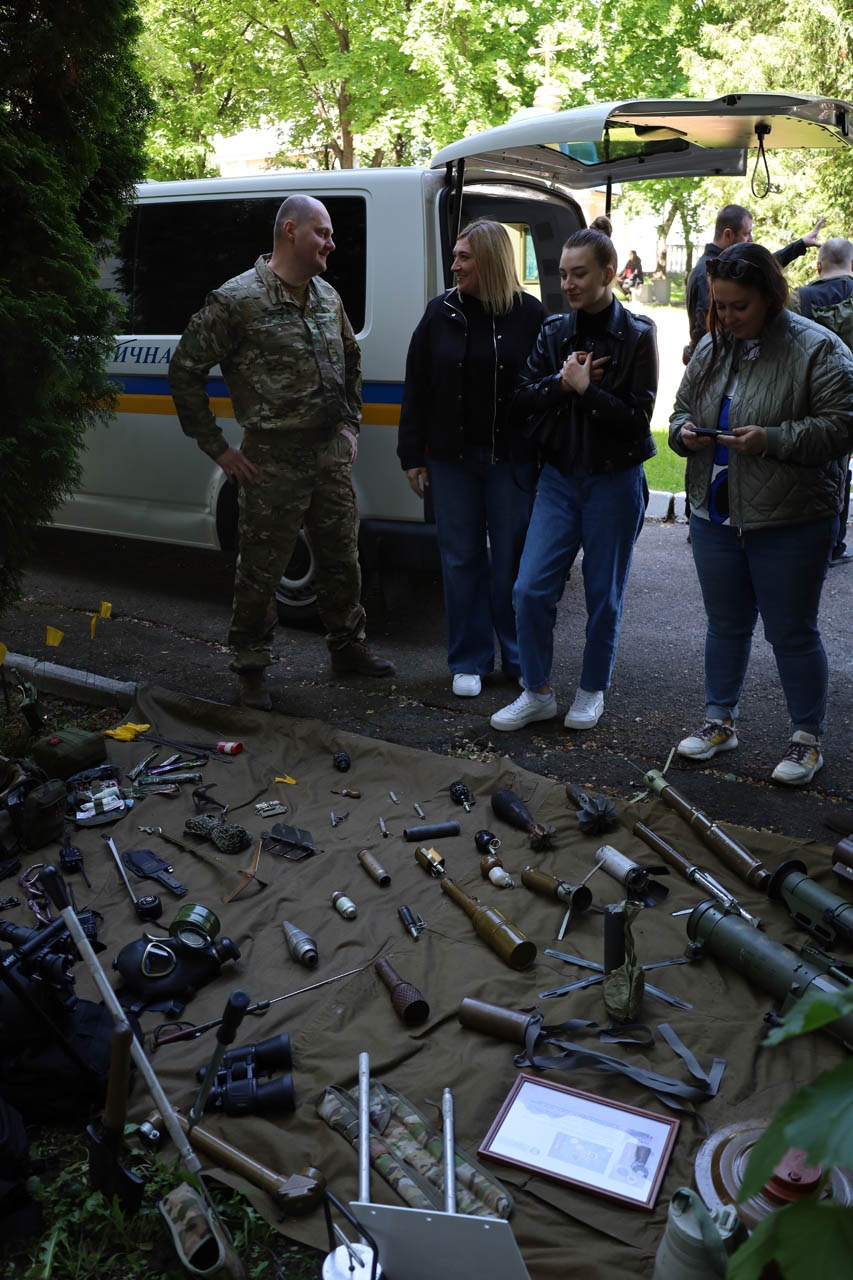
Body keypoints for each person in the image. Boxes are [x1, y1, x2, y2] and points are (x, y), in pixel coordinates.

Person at [169, 195, 394, 710]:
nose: (331, 244)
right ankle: (251, 668)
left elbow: (352, 360)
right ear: (291, 231)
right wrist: (218, 449)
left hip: (329, 456)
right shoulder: (237, 300)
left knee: (342, 559)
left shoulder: (327, 297)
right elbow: (184, 370)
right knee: (261, 570)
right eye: (323, 233)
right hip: (270, 461)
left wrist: (350, 426)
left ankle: (348, 647)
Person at [670, 242, 853, 785]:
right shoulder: (713, 346)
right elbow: (680, 409)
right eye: (720, 305)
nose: (726, 317)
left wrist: (771, 439)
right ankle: (718, 721)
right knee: (726, 625)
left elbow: (842, 427)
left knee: (792, 632)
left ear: (771, 297)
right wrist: (684, 432)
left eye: (739, 306)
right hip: (716, 516)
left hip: (791, 518)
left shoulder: (819, 348)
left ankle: (806, 740)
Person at [490, 228, 658, 733]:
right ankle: (536, 691)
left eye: (579, 274)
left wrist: (587, 392)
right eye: (563, 274)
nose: (568, 284)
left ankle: (591, 690)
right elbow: (521, 399)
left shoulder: (638, 334)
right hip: (559, 479)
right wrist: (564, 384)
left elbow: (637, 422)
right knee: (529, 589)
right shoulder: (553, 331)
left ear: (608, 274)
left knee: (604, 594)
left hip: (614, 480)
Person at [397, 220, 545, 696]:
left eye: (464, 257)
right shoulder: (440, 311)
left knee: (512, 562)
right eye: (455, 256)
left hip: (510, 462)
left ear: (491, 260)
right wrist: (411, 454)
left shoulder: (530, 315)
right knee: (461, 560)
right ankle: (469, 660)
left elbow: (544, 392)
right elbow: (417, 385)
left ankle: (519, 659)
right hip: (451, 461)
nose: (455, 265)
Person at [684, 205, 825, 362]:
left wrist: (800, 244)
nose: (751, 239)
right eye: (747, 233)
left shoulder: (721, 268)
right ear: (728, 234)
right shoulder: (707, 274)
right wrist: (698, 357)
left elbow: (763, 267)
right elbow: (703, 328)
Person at [789, 236, 853, 565]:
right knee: (843, 467)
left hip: (809, 396)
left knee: (810, 463)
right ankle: (834, 543)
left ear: (818, 266)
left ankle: (807, 539)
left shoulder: (798, 299)